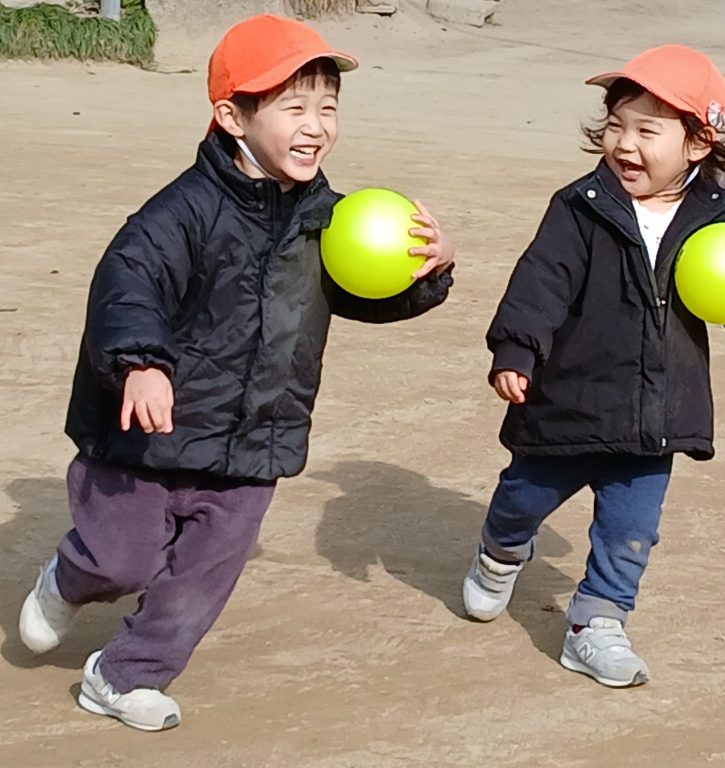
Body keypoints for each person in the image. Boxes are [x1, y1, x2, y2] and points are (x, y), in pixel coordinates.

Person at [19, 14, 454, 731]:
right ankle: (69, 578)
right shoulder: (181, 212)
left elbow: (353, 292)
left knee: (201, 576)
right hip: (147, 435)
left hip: (256, 435)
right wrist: (141, 365)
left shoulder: (329, 219)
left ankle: (125, 675)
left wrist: (423, 277)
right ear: (232, 116)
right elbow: (127, 284)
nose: (316, 126)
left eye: (328, 107)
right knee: (119, 560)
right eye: (293, 107)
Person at [462, 44, 725, 687]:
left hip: (656, 412)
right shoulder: (580, 205)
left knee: (631, 532)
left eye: (647, 130)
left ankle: (596, 623)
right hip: (567, 401)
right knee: (521, 499)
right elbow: (541, 282)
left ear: (699, 143)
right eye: (616, 125)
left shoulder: (718, 216)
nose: (624, 144)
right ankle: (499, 553)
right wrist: (516, 349)